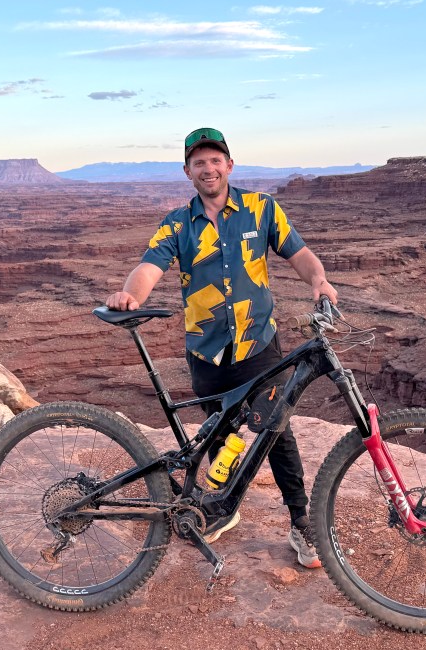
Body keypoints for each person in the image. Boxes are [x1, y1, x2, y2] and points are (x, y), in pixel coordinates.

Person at [106, 127, 338, 568]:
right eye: (199, 163)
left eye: (215, 160)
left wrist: (319, 280)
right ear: (187, 171)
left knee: (277, 432)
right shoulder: (178, 223)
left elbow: (299, 253)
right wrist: (130, 296)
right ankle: (223, 507)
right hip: (208, 351)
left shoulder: (261, 208)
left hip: (258, 345)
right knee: (219, 432)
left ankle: (300, 520)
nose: (208, 169)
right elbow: (150, 266)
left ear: (229, 165)